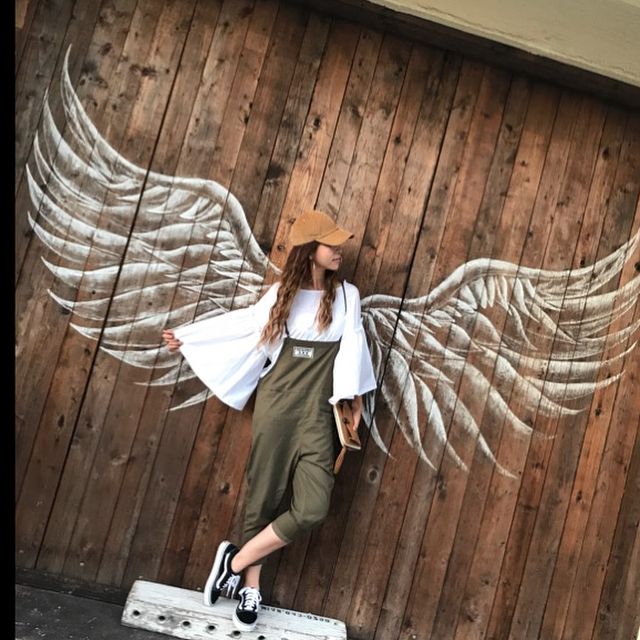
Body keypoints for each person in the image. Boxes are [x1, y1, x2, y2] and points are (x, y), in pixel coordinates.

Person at [161, 209, 377, 632]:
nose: (339, 251)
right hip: (277, 409)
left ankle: (235, 561)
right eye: (331, 244)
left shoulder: (348, 296)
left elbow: (353, 350)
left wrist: (356, 399)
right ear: (310, 251)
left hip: (319, 416)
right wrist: (189, 337)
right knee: (262, 496)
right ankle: (249, 587)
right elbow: (241, 329)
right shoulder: (281, 295)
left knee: (313, 507)